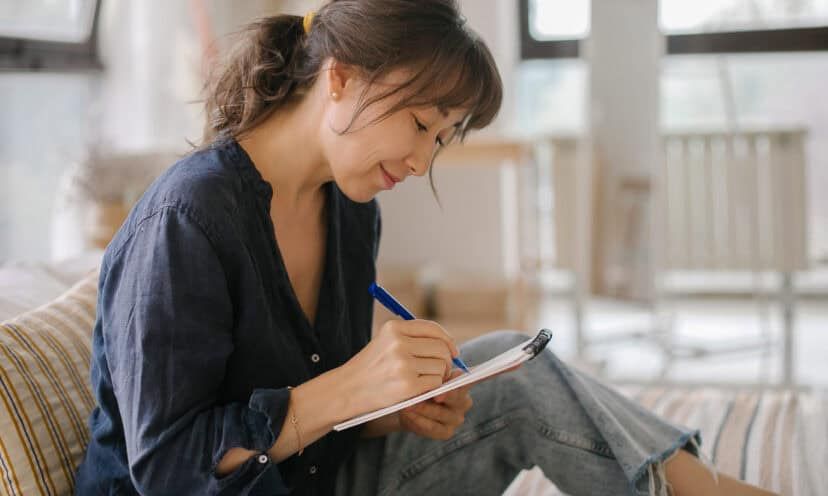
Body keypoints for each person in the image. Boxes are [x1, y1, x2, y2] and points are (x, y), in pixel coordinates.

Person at [74, 1, 778, 494]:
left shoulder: (349, 212)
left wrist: (387, 413)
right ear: (340, 76)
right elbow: (167, 469)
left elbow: (319, 417)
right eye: (419, 124)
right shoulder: (188, 219)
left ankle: (712, 491)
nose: (421, 161)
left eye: (441, 139)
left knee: (511, 371)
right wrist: (351, 388)